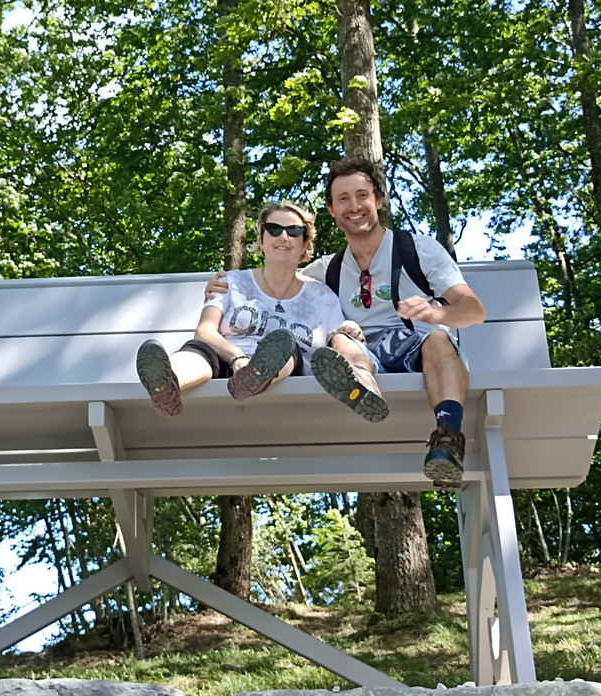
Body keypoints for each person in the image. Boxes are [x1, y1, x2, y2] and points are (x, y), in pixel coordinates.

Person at [206, 159, 486, 488]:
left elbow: (473, 310)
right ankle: (364, 390)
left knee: (438, 339)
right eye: (343, 199)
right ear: (332, 210)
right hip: (365, 353)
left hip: (421, 348)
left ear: (378, 200)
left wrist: (436, 314)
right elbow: (275, 286)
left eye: (362, 195)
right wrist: (227, 287)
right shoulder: (327, 270)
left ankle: (448, 440)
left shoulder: (417, 250)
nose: (354, 206)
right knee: (340, 341)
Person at [136, 200, 388, 421]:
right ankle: (167, 384)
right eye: (274, 229)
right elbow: (205, 331)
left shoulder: (322, 296)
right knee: (200, 351)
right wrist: (237, 358)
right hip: (226, 361)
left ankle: (256, 377)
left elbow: (337, 341)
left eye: (294, 231)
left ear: (304, 244)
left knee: (286, 346)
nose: (283, 236)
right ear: (261, 239)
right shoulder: (231, 282)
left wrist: (350, 331)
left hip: (286, 373)